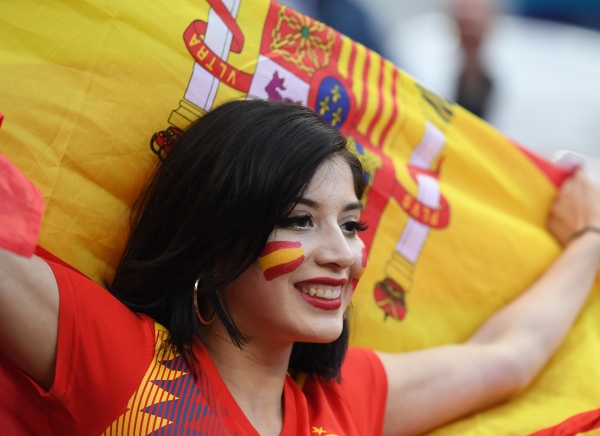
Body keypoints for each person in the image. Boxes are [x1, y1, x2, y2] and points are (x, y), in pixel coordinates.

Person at [1, 99, 600, 436]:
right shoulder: (117, 358)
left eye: (351, 225)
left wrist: (590, 239)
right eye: (299, 219)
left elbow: (509, 355)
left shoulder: (343, 404)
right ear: (215, 237)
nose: (342, 254)